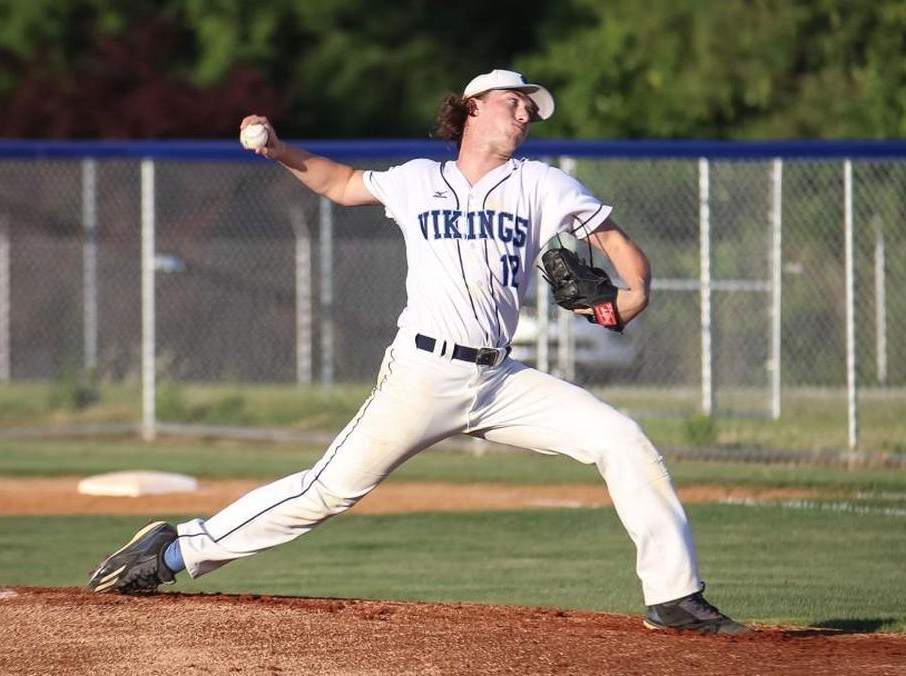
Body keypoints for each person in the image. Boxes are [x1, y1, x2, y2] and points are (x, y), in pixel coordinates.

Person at [86, 69, 749, 635]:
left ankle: (672, 596)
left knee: (622, 437)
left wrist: (632, 297)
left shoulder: (543, 185)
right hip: (424, 374)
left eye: (530, 108)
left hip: (501, 378)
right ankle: (173, 554)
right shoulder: (416, 181)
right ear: (471, 109)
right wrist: (281, 150)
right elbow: (343, 184)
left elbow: (619, 248)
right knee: (328, 492)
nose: (525, 112)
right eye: (513, 101)